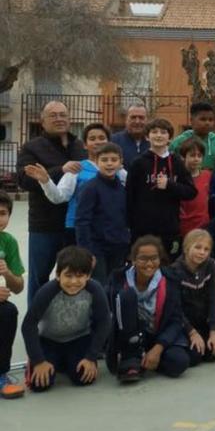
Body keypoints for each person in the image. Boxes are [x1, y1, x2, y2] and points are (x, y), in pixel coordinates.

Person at [16, 100, 87, 304]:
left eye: (63, 114)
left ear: (69, 118)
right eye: (53, 115)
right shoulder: (32, 147)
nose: (59, 119)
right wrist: (60, 170)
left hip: (75, 226)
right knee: (39, 280)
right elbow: (24, 179)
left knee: (75, 278)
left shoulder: (79, 146)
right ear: (43, 121)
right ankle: (35, 326)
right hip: (44, 226)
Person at [22, 246, 111, 392]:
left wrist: (90, 357)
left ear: (88, 276)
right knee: (39, 385)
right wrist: (38, 360)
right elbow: (29, 325)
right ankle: (53, 361)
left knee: (83, 378)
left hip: (79, 338)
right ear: (58, 275)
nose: (74, 281)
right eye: (68, 275)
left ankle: (65, 362)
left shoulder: (95, 289)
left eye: (80, 276)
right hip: (49, 340)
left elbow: (104, 322)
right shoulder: (47, 292)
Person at [25, 123, 123, 248]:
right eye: (92, 139)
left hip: (109, 229)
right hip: (78, 229)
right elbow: (58, 197)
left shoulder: (120, 172)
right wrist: (46, 181)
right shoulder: (77, 168)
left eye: (101, 138)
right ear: (85, 144)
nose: (97, 142)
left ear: (109, 141)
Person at [106, 236, 190, 382]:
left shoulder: (170, 280)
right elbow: (111, 318)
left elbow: (176, 320)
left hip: (157, 335)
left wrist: (158, 348)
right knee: (126, 296)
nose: (149, 264)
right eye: (143, 259)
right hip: (129, 338)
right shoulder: (118, 279)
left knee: (180, 362)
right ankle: (131, 357)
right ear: (133, 260)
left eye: (154, 258)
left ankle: (144, 361)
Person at [126, 118, 197, 259]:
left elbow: (191, 192)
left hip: (169, 229)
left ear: (170, 138)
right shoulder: (138, 163)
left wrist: (170, 185)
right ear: (147, 136)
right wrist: (130, 225)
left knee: (168, 268)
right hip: (142, 230)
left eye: (163, 132)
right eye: (154, 132)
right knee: (143, 266)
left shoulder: (177, 162)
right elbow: (129, 196)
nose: (158, 135)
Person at [74, 143, 130, 285]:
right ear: (97, 163)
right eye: (104, 160)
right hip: (97, 249)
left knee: (116, 286)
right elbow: (82, 221)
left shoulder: (123, 188)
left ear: (120, 162)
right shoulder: (90, 188)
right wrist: (87, 251)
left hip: (119, 247)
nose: (109, 164)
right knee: (100, 287)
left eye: (113, 160)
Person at [171, 229, 215, 365]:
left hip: (204, 322)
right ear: (186, 248)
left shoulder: (212, 265)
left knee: (213, 353)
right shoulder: (174, 270)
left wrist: (214, 331)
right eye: (197, 247)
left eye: (206, 249)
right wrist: (192, 333)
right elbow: (175, 308)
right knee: (194, 357)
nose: (202, 252)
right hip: (184, 325)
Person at [0, 191, 26, 398]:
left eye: (2, 213)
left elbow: (18, 288)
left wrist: (7, 272)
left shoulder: (8, 242)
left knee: (8, 311)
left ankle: (1, 375)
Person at [170, 101, 215, 170]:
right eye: (203, 119)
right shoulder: (179, 142)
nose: (207, 123)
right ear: (191, 120)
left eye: (210, 120)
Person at [178, 138, 212, 238]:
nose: (196, 159)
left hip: (203, 228)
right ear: (183, 157)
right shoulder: (177, 177)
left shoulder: (208, 175)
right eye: (192, 155)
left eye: (199, 156)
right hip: (182, 229)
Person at [111, 103, 149, 168]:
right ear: (126, 119)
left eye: (141, 118)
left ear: (147, 120)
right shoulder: (113, 141)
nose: (137, 121)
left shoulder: (154, 142)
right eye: (133, 117)